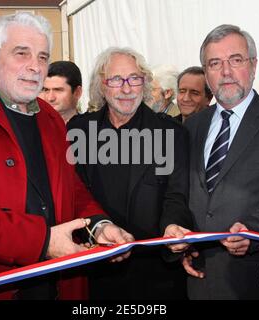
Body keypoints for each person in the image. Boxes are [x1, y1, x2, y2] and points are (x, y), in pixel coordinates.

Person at [0, 12, 132, 300]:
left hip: (59, 282)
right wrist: (41, 241)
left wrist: (99, 225)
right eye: (21, 53)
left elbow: (71, 189)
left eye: (42, 57)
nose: (35, 66)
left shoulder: (49, 117)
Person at [166, 24, 259, 299]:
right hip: (199, 278)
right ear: (206, 73)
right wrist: (182, 236)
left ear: (254, 65)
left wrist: (254, 229)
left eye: (236, 60)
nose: (225, 72)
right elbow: (181, 194)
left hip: (258, 279)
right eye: (214, 63)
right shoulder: (192, 127)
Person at [67, 47, 192, 300]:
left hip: (154, 274)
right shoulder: (79, 130)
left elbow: (176, 194)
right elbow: (72, 193)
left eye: (134, 78)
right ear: (102, 85)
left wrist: (173, 225)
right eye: (116, 79)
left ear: (144, 83)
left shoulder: (171, 133)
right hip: (94, 271)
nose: (126, 89)